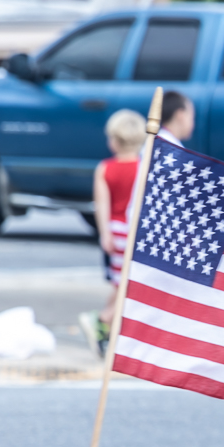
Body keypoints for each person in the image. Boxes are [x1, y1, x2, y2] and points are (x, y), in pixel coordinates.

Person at [78, 109, 145, 357]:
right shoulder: (144, 167)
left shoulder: (105, 169)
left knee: (121, 284)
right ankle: (103, 320)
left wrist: (104, 233)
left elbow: (102, 204)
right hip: (135, 230)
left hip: (116, 230)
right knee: (129, 286)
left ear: (113, 140)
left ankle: (105, 331)